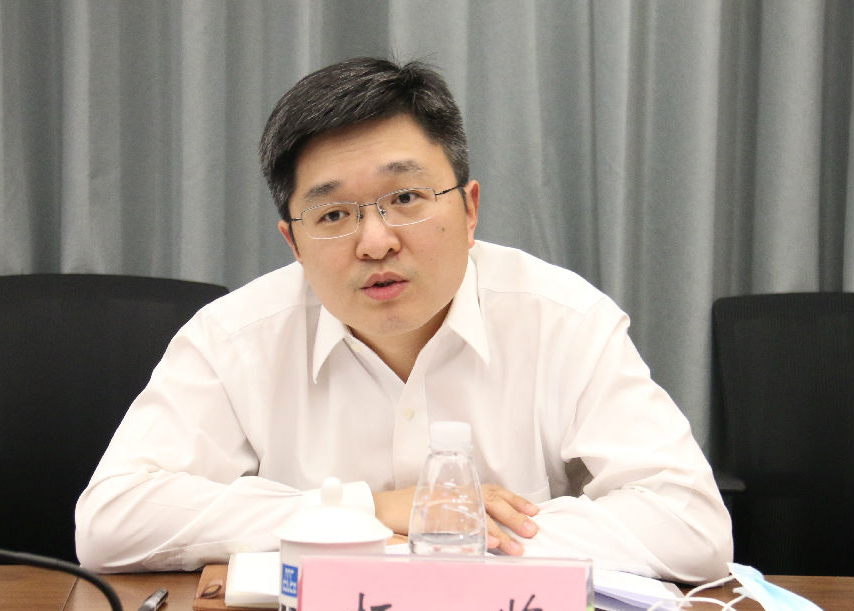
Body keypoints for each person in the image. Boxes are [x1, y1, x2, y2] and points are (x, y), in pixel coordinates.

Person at [75, 57, 732, 583]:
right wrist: (366, 512)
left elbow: (693, 525)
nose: (375, 241)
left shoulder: (564, 321)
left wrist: (450, 535)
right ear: (293, 242)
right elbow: (111, 520)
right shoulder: (232, 338)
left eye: (407, 197)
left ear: (469, 209)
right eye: (334, 214)